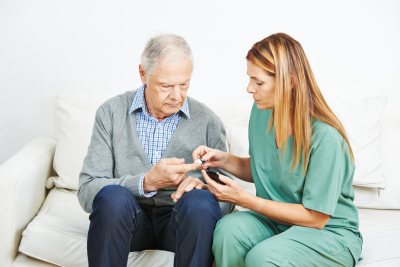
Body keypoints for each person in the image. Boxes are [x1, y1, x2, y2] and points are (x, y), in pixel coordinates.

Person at [193, 33, 363, 267]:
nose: (249, 88)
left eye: (259, 82)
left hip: (327, 233)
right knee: (227, 231)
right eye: (250, 78)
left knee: (262, 257)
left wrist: (245, 199)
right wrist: (223, 160)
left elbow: (317, 217)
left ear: (289, 81)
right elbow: (266, 169)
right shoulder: (261, 113)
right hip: (276, 220)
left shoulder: (326, 138)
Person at [77, 33, 234, 267]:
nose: (177, 96)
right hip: (129, 224)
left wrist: (206, 189)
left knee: (200, 202)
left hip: (182, 227)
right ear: (143, 74)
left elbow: (228, 200)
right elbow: (88, 191)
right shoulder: (110, 113)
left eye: (184, 84)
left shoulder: (208, 121)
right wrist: (146, 183)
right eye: (165, 86)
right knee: (112, 197)